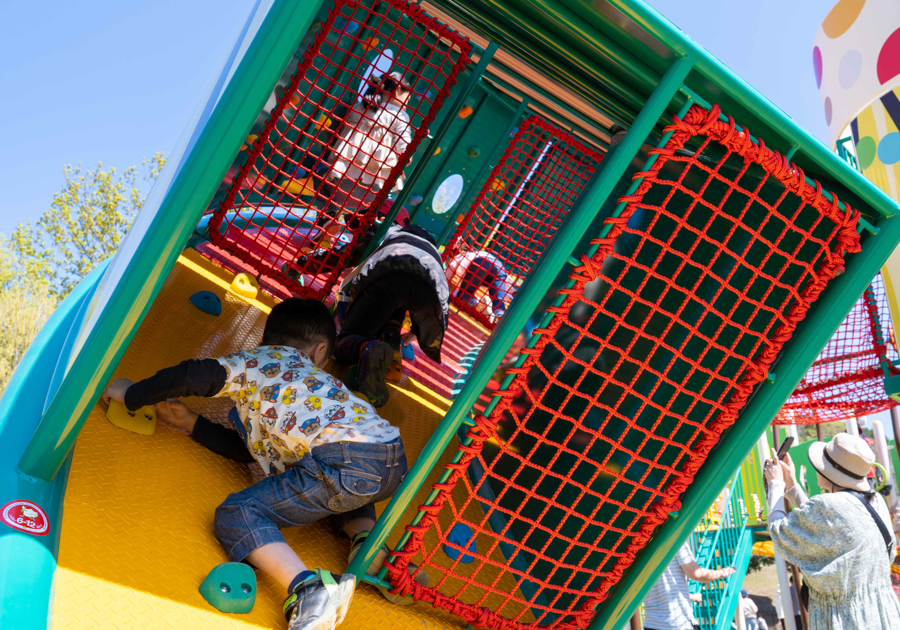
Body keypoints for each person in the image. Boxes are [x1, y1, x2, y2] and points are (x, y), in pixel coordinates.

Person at [100, 298, 427, 630]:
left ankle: (309, 590)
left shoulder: (261, 361)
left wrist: (134, 393)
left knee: (238, 512)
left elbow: (195, 373)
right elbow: (247, 451)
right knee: (343, 486)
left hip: (339, 460)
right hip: (390, 458)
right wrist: (190, 421)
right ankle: (366, 542)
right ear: (319, 352)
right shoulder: (317, 388)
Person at [764, 432, 900, 629]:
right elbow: (824, 523)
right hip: (883, 613)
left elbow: (780, 532)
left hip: (846, 620)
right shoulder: (876, 500)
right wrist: (792, 484)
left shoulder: (828, 505)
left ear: (830, 472)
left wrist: (775, 484)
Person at [334, 224, 448, 407]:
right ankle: (392, 337)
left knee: (344, 342)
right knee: (401, 296)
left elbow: (356, 254)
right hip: (428, 294)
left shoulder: (390, 233)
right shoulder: (433, 252)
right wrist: (416, 332)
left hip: (392, 278)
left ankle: (366, 348)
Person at [642, 540, 736, 630]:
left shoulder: (636, 545)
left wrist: (692, 597)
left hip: (651, 623)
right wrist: (721, 573)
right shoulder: (675, 538)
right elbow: (695, 573)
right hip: (676, 622)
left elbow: (661, 589)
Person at [445, 248, 517, 321]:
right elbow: (504, 282)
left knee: (464, 295)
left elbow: (446, 279)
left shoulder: (457, 258)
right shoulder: (477, 252)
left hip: (480, 263)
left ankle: (480, 305)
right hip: (499, 266)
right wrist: (513, 291)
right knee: (498, 300)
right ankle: (499, 313)